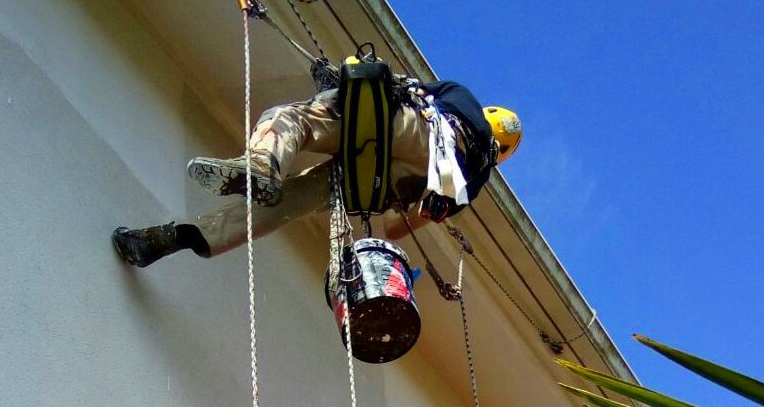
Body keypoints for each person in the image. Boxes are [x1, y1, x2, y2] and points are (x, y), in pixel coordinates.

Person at [111, 78, 521, 268]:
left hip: (409, 129)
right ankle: (184, 236)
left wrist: (342, 87)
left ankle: (261, 164)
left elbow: (402, 87)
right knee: (291, 201)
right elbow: (397, 229)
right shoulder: (473, 179)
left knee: (297, 119)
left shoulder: (461, 95)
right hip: (399, 184)